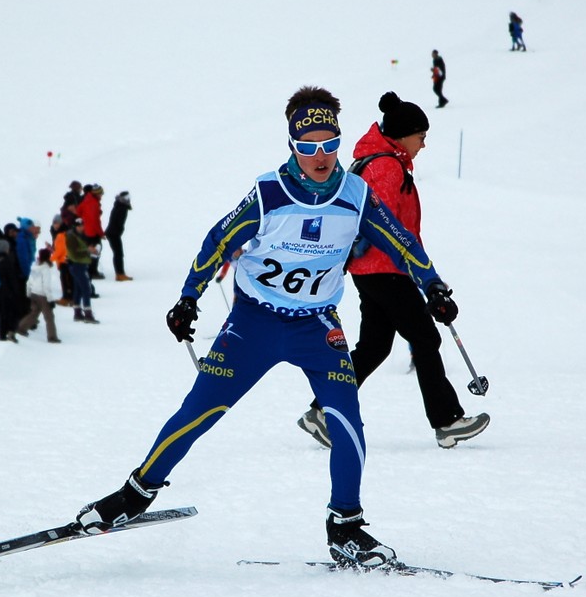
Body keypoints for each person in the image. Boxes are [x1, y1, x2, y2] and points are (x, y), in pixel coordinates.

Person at [74, 85, 460, 570]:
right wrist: (187, 298)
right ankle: (135, 493)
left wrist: (434, 286)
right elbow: (217, 240)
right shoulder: (269, 194)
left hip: (318, 327)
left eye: (329, 144)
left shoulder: (356, 194)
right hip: (254, 322)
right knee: (200, 411)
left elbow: (402, 241)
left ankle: (345, 527)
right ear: (293, 146)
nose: (320, 157)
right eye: (308, 146)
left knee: (346, 422)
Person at [297, 92, 489, 451]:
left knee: (374, 347)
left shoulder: (381, 161)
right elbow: (386, 228)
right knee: (426, 338)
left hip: (373, 270)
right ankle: (446, 421)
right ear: (402, 136)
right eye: (421, 137)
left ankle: (320, 412)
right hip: (384, 269)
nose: (424, 145)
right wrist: (422, 278)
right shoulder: (385, 166)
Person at [17, 249, 61, 343]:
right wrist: (50, 299)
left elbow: (29, 281)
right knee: (49, 317)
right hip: (43, 295)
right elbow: (46, 285)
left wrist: (28, 293)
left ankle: (21, 328)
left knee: (34, 313)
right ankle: (52, 337)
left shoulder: (35, 267)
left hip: (34, 293)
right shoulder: (46, 269)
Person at [65, 218, 100, 324]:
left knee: (78, 289)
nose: (82, 227)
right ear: (76, 226)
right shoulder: (71, 237)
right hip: (77, 265)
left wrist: (90, 250)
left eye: (83, 225)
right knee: (86, 289)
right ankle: (88, 313)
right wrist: (88, 251)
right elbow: (74, 253)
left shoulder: (79, 235)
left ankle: (77, 312)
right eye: (80, 226)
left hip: (81, 264)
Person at [76, 184, 105, 279]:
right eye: (101, 194)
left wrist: (85, 219)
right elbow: (96, 221)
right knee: (96, 250)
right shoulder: (94, 203)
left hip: (86, 231)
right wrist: (101, 233)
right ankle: (92, 272)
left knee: (89, 250)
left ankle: (89, 270)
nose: (101, 196)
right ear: (96, 194)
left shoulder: (86, 199)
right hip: (92, 232)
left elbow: (78, 211)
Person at [105, 191, 133, 281]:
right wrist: (119, 231)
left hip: (113, 233)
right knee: (118, 253)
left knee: (118, 253)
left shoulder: (119, 205)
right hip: (114, 233)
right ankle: (119, 274)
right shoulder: (121, 207)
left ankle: (120, 273)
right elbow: (118, 222)